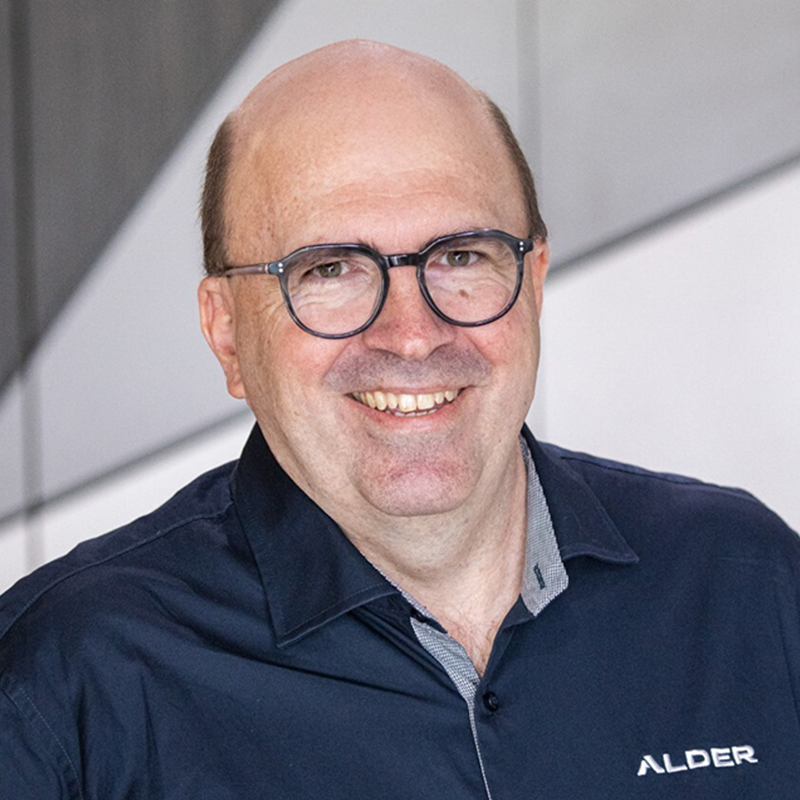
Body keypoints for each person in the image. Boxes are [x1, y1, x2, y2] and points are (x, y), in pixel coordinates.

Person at [1, 40, 798, 800]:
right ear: (228, 332)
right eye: (330, 269)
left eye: (461, 256)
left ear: (534, 283)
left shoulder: (747, 582)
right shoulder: (65, 681)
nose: (413, 335)